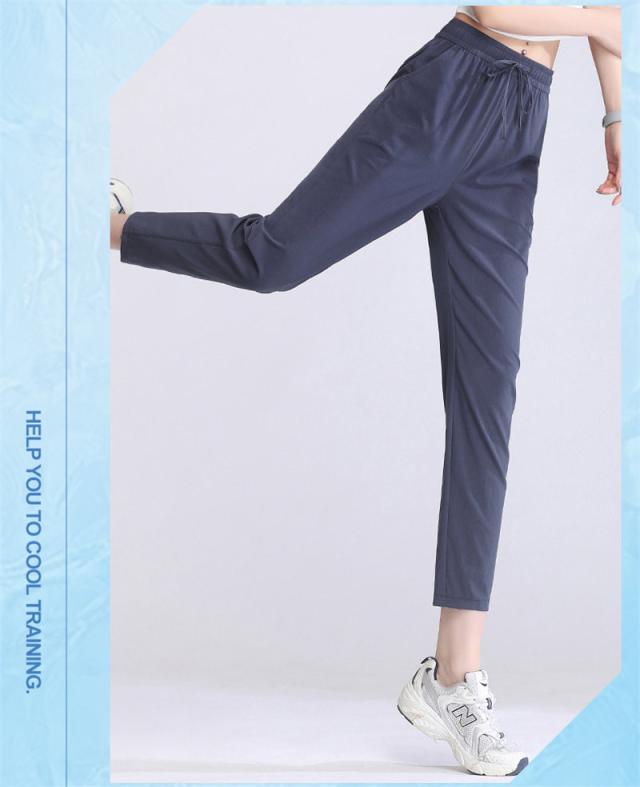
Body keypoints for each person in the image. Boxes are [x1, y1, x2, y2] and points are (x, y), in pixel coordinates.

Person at [109, 5, 621, 777]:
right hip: (453, 88)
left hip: (523, 113)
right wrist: (607, 26)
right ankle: (115, 225)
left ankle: (453, 676)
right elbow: (498, 8)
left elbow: (601, 13)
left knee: (488, 396)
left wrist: (615, 111)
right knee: (275, 257)